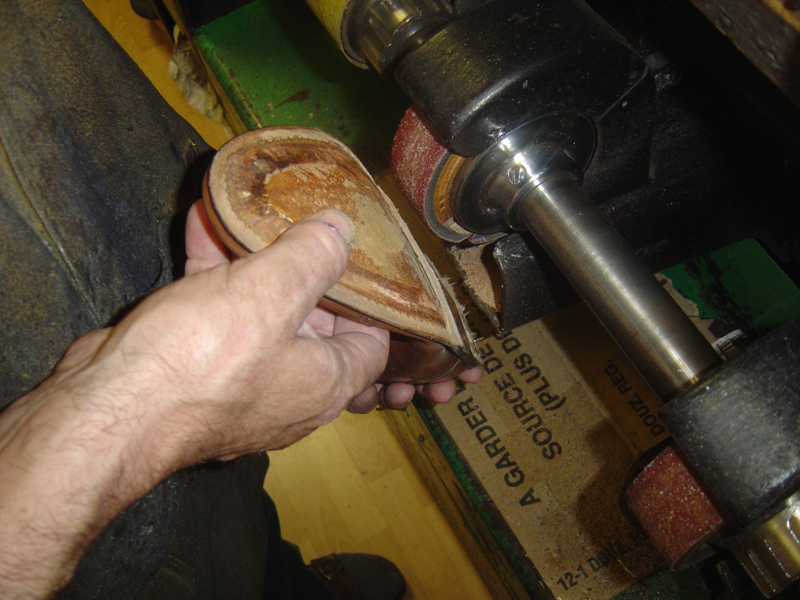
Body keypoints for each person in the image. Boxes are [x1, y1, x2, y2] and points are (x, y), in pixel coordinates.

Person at [0, 1, 481, 598]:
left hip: (121, 186)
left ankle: (284, 581)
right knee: (202, 562)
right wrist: (151, 412)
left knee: (238, 500)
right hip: (80, 541)